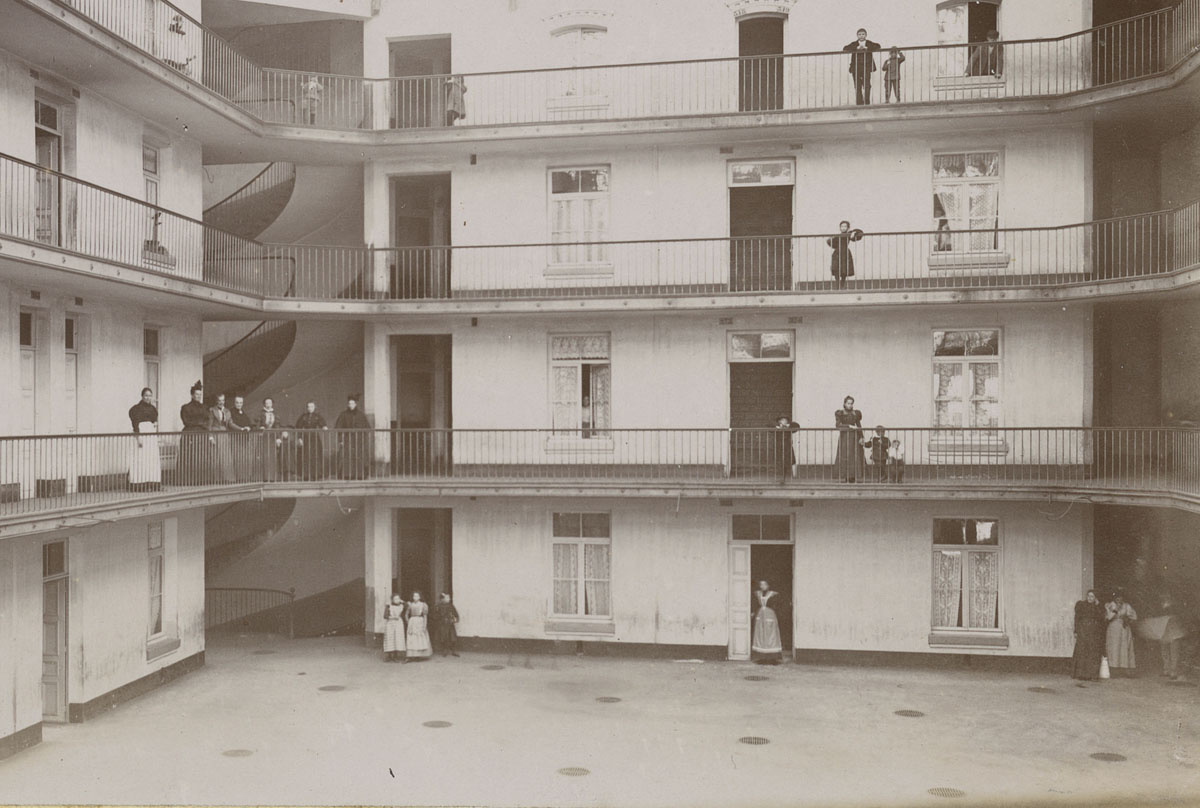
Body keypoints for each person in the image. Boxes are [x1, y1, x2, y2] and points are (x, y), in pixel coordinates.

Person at [128, 387, 161, 491]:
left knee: (151, 458)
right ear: (142, 396)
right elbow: (135, 424)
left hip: (151, 435)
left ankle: (151, 482)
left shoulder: (153, 409)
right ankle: (139, 483)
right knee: (140, 458)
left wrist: (155, 423)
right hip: (141, 434)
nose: (148, 398)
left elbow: (154, 419)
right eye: (146, 395)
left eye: (150, 396)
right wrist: (138, 438)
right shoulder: (135, 409)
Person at [1071, 590, 1106, 681]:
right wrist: (1076, 631)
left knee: (1093, 652)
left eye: (1092, 596)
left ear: (1095, 598)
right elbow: (1077, 618)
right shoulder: (1081, 605)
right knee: (1082, 651)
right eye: (1088, 596)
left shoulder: (1098, 607)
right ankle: (1081, 674)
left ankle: (1092, 675)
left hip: (1094, 632)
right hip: (1083, 630)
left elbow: (1102, 618)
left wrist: (1098, 605)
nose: (1090, 598)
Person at [179, 380, 210, 484]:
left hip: (202, 434)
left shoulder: (204, 407)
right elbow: (186, 421)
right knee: (189, 457)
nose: (198, 396)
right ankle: (187, 480)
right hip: (190, 434)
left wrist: (201, 425)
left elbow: (207, 420)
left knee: (201, 457)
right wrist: (199, 423)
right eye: (196, 394)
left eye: (200, 394)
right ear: (192, 395)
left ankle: (200, 479)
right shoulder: (186, 407)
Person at [334, 395, 371, 480]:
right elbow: (338, 428)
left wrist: (363, 439)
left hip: (358, 440)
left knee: (359, 456)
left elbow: (367, 428)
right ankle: (346, 475)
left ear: (355, 404)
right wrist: (340, 440)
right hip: (347, 440)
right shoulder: (343, 414)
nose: (351, 405)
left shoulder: (361, 415)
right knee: (346, 456)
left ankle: (359, 475)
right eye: (349, 403)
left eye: (352, 403)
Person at [843, 28, 881, 105]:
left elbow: (878, 46)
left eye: (863, 34)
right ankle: (859, 102)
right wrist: (856, 48)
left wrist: (867, 48)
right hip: (856, 67)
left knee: (867, 85)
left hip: (866, 67)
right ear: (857, 35)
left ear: (866, 35)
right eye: (859, 34)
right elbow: (845, 48)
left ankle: (867, 102)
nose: (861, 36)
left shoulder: (869, 43)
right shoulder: (854, 44)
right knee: (857, 85)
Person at [255, 397, 289, 481]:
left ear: (272, 404)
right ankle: (264, 478)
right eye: (266, 403)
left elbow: (277, 425)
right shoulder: (261, 414)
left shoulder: (275, 414)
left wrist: (278, 437)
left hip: (272, 437)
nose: (268, 405)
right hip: (264, 437)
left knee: (273, 457)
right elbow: (257, 424)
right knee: (265, 457)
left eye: (270, 403)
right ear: (264, 404)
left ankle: (272, 477)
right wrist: (260, 427)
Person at [1105, 591, 1138, 677]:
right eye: (1117, 597)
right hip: (1113, 629)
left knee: (1124, 647)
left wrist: (1127, 619)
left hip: (1124, 629)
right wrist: (1116, 610)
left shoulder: (1127, 605)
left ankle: (1125, 669)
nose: (1119, 599)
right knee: (1114, 647)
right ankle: (1114, 670)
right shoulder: (1110, 605)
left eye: (1121, 597)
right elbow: (1108, 617)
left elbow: (1134, 616)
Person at [751, 580, 784, 665]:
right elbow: (755, 604)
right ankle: (762, 657)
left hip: (770, 616)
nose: (762, 586)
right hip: (760, 616)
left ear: (768, 585)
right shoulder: (757, 594)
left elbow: (777, 606)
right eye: (761, 584)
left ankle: (772, 658)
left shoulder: (774, 594)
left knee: (771, 636)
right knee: (761, 635)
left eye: (764, 584)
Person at [834, 396, 866, 482]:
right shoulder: (840, 413)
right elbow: (838, 425)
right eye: (848, 403)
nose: (850, 405)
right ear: (844, 403)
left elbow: (858, 425)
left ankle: (853, 477)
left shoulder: (856, 413)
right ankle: (845, 477)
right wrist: (849, 426)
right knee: (845, 455)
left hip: (855, 437)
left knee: (854, 456)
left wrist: (862, 437)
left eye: (851, 403)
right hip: (844, 437)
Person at [294, 401, 328, 480]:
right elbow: (298, 427)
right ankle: (306, 475)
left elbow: (323, 424)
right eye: (308, 407)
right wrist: (299, 438)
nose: (310, 408)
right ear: (307, 408)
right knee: (305, 455)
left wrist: (324, 427)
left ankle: (316, 474)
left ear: (314, 407)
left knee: (315, 455)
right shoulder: (303, 416)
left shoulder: (317, 416)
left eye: (312, 407)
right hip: (305, 437)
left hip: (314, 438)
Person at [207, 393, 235, 484]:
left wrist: (242, 428)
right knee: (216, 457)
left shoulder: (227, 411)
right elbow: (209, 425)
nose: (221, 402)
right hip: (216, 434)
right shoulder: (212, 410)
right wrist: (210, 437)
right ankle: (217, 479)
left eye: (223, 400)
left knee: (226, 457)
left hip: (225, 435)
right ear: (216, 401)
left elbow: (231, 424)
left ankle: (227, 478)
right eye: (219, 400)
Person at [827, 220, 864, 288]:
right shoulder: (837, 236)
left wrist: (853, 233)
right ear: (840, 228)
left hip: (845, 253)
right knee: (836, 269)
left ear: (848, 228)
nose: (843, 228)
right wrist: (830, 239)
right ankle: (837, 285)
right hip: (837, 253)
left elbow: (859, 233)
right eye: (842, 226)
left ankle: (842, 285)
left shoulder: (849, 234)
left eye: (845, 226)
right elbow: (831, 243)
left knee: (844, 270)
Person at [229, 395, 254, 482]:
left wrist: (249, 427)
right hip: (235, 437)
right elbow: (231, 424)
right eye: (237, 402)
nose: (239, 404)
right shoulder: (231, 412)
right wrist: (241, 429)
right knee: (236, 457)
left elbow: (248, 423)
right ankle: (237, 477)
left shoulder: (243, 412)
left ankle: (243, 477)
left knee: (243, 457)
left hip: (244, 438)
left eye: (240, 403)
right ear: (234, 403)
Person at [405, 592, 433, 661]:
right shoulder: (410, 605)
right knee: (412, 638)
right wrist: (408, 622)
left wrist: (424, 625)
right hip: (412, 621)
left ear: (420, 597)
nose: (415, 597)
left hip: (420, 621)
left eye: (417, 596)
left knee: (420, 637)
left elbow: (425, 616)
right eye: (414, 596)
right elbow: (406, 614)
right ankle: (412, 655)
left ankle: (420, 655)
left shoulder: (423, 605)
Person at [432, 593, 461, 657]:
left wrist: (455, 619)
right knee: (444, 637)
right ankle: (445, 650)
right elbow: (435, 615)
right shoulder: (438, 606)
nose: (449, 599)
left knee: (452, 637)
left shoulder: (451, 606)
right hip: (442, 624)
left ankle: (454, 650)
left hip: (450, 624)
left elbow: (455, 614)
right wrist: (439, 619)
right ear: (442, 599)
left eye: (449, 597)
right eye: (447, 598)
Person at [773, 415, 799, 483]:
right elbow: (768, 426)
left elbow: (797, 426)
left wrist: (788, 425)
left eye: (785, 420)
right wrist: (777, 426)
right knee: (781, 462)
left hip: (788, 447)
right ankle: (782, 478)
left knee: (791, 461)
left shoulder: (789, 427)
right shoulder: (777, 428)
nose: (784, 421)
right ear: (779, 421)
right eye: (782, 420)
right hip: (779, 447)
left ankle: (793, 476)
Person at [382, 594, 406, 663]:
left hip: (398, 624)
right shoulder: (389, 606)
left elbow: (407, 605)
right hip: (390, 623)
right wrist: (393, 617)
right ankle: (389, 656)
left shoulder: (401, 606)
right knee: (390, 638)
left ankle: (396, 656)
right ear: (392, 600)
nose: (397, 600)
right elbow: (385, 616)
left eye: (398, 599)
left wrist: (402, 601)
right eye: (395, 599)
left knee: (397, 638)